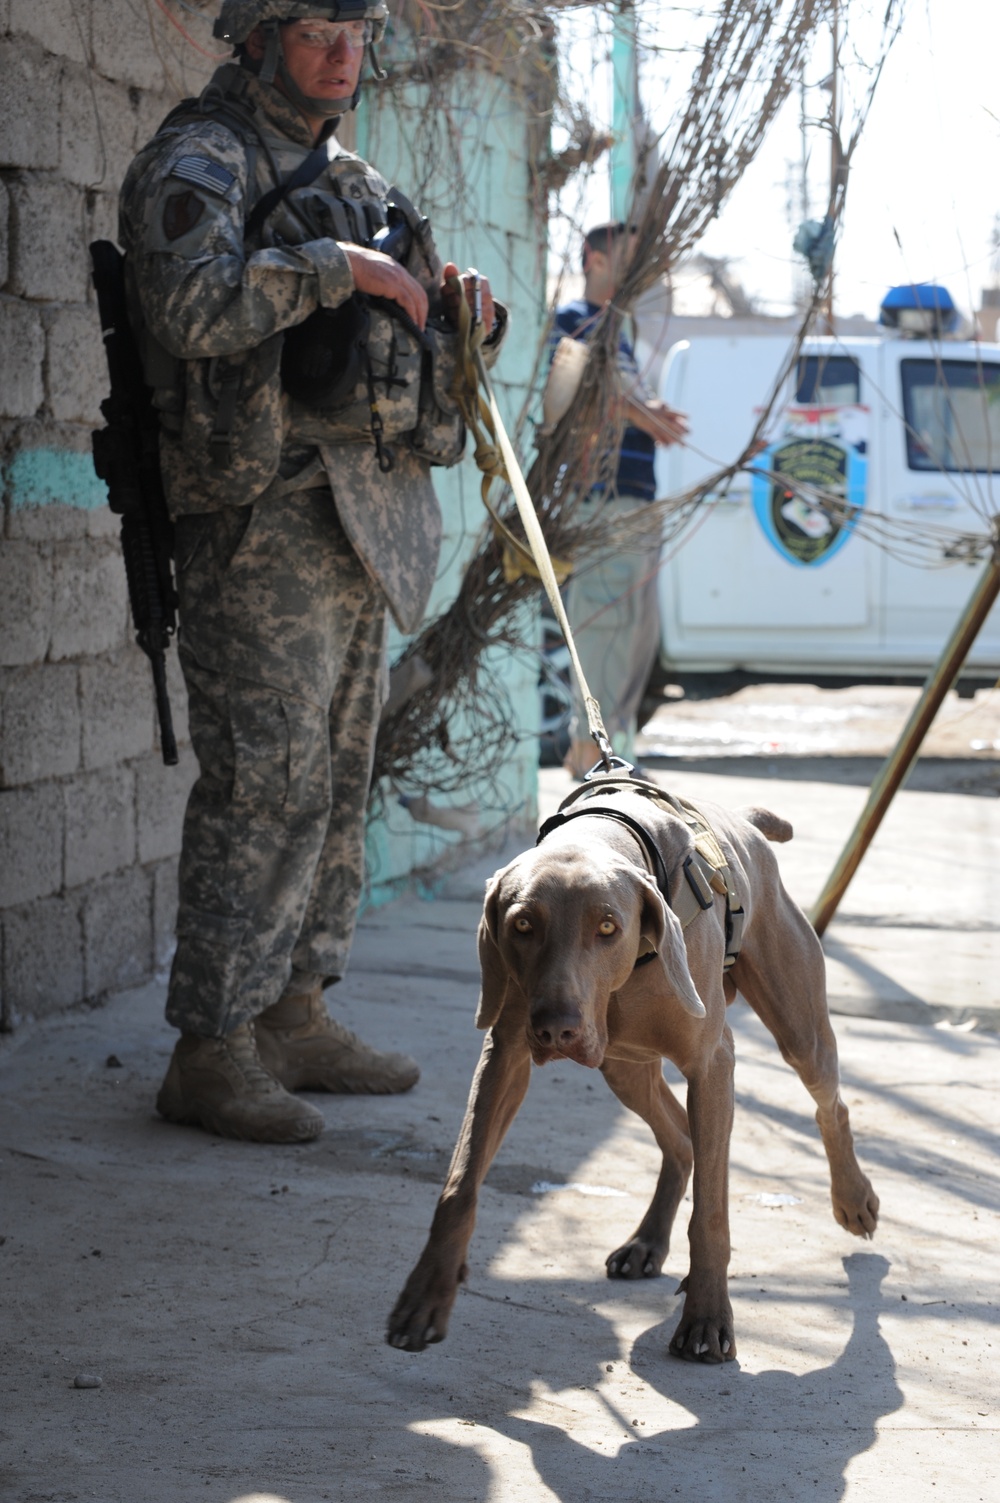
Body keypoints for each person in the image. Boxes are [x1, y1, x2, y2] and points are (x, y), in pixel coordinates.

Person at [118, 0, 506, 1143]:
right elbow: (188, 307)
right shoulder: (200, 160)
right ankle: (212, 1048)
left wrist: (462, 322)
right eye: (315, 33)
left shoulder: (365, 182)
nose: (343, 56)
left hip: (361, 516)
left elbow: (422, 334)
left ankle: (294, 1012)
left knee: (335, 775)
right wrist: (330, 271)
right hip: (258, 516)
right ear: (255, 37)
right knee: (266, 781)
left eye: (356, 33)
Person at [551, 221, 687, 779]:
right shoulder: (574, 320)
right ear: (593, 258)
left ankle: (602, 756)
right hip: (601, 501)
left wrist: (650, 412)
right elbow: (581, 391)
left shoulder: (617, 329)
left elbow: (625, 393)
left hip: (630, 502)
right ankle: (589, 760)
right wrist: (644, 413)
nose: (635, 272)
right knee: (603, 627)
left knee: (633, 632)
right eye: (627, 258)